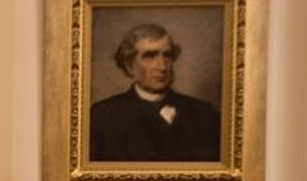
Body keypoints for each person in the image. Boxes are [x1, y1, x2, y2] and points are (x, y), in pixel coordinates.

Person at [89, 23, 221, 162]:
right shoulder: (102, 116)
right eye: (150, 56)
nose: (162, 66)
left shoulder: (205, 113)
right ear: (129, 66)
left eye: (167, 56)